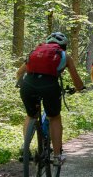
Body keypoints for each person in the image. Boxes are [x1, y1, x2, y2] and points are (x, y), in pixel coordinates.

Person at [16, 32, 84, 165]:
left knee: (31, 116)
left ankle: (25, 148)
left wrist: (20, 84)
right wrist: (79, 88)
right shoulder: (65, 56)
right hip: (49, 86)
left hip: (28, 84)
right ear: (63, 46)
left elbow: (19, 72)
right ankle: (58, 157)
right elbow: (78, 83)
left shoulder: (36, 51)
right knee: (54, 117)